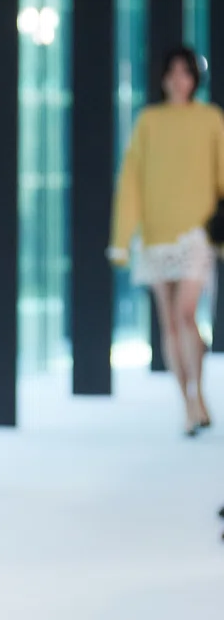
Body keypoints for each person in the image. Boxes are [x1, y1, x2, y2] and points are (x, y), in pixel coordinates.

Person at [110, 46, 224, 435]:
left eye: (185, 72)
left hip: (196, 232)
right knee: (170, 322)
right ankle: (188, 403)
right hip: (156, 233)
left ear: (194, 78)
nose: (178, 80)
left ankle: (198, 392)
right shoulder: (149, 122)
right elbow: (131, 181)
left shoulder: (211, 119)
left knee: (186, 314)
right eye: (172, 72)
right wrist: (121, 238)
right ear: (163, 78)